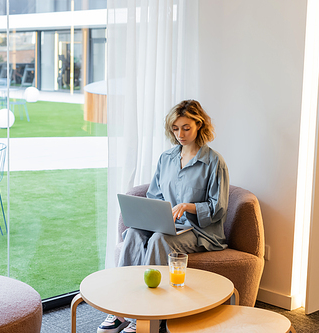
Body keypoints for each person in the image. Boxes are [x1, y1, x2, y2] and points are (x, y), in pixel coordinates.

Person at [97, 100, 230, 333]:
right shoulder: (166, 158)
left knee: (159, 239)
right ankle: (121, 311)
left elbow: (218, 208)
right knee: (134, 234)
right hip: (168, 224)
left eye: (186, 127)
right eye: (175, 128)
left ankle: (148, 317)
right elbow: (155, 195)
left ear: (200, 125)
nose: (180, 134)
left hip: (200, 231)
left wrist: (189, 207)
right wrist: (152, 214)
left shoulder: (214, 162)